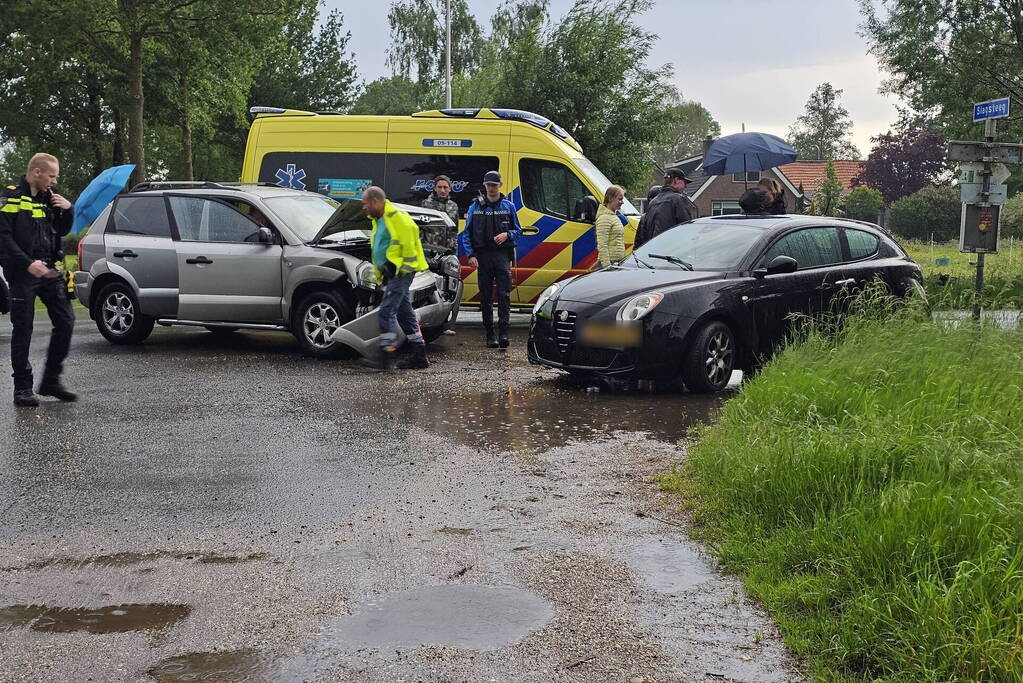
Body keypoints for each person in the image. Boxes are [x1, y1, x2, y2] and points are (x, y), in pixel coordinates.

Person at [0, 153, 76, 406]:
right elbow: (4, 237)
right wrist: (27, 263)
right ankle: (23, 388)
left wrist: (68, 209)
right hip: (22, 272)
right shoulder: (10, 198)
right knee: (23, 328)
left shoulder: (49, 198)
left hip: (49, 268)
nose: (54, 181)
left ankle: (51, 381)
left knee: (66, 320)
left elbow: (61, 230)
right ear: (36, 173)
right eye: (52, 176)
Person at [360, 186, 430, 371]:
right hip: (393, 274)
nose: (363, 208)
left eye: (365, 204)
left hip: (401, 272)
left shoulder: (396, 217)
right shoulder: (379, 219)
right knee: (404, 312)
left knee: (386, 311)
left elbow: (409, 246)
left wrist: (397, 268)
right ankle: (418, 353)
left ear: (375, 202)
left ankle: (386, 353)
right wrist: (382, 273)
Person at [458, 170, 522, 349]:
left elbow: (519, 230)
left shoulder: (509, 206)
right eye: (489, 185)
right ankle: (490, 335)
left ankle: (503, 333)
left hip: (502, 256)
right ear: (485, 185)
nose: (492, 188)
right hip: (483, 256)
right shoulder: (475, 207)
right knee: (486, 298)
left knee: (504, 295)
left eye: (495, 184)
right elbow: (467, 234)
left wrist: (507, 234)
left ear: (500, 185)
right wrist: (470, 255)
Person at [635, 168, 696, 247]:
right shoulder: (678, 199)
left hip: (652, 252)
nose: (685, 187)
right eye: (684, 183)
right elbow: (686, 228)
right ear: (676, 180)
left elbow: (644, 233)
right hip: (670, 251)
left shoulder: (653, 202)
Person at [420, 175, 459, 249]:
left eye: (445, 187)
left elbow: (454, 230)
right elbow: (421, 228)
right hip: (430, 249)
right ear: (435, 188)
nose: (442, 190)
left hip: (448, 249)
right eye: (439, 187)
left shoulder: (453, 206)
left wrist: (454, 246)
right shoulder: (425, 204)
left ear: (450, 189)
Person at [595, 185, 626, 267]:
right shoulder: (604, 218)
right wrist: (607, 267)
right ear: (610, 198)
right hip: (609, 264)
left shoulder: (613, 216)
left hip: (615, 263)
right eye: (620, 199)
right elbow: (602, 245)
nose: (622, 202)